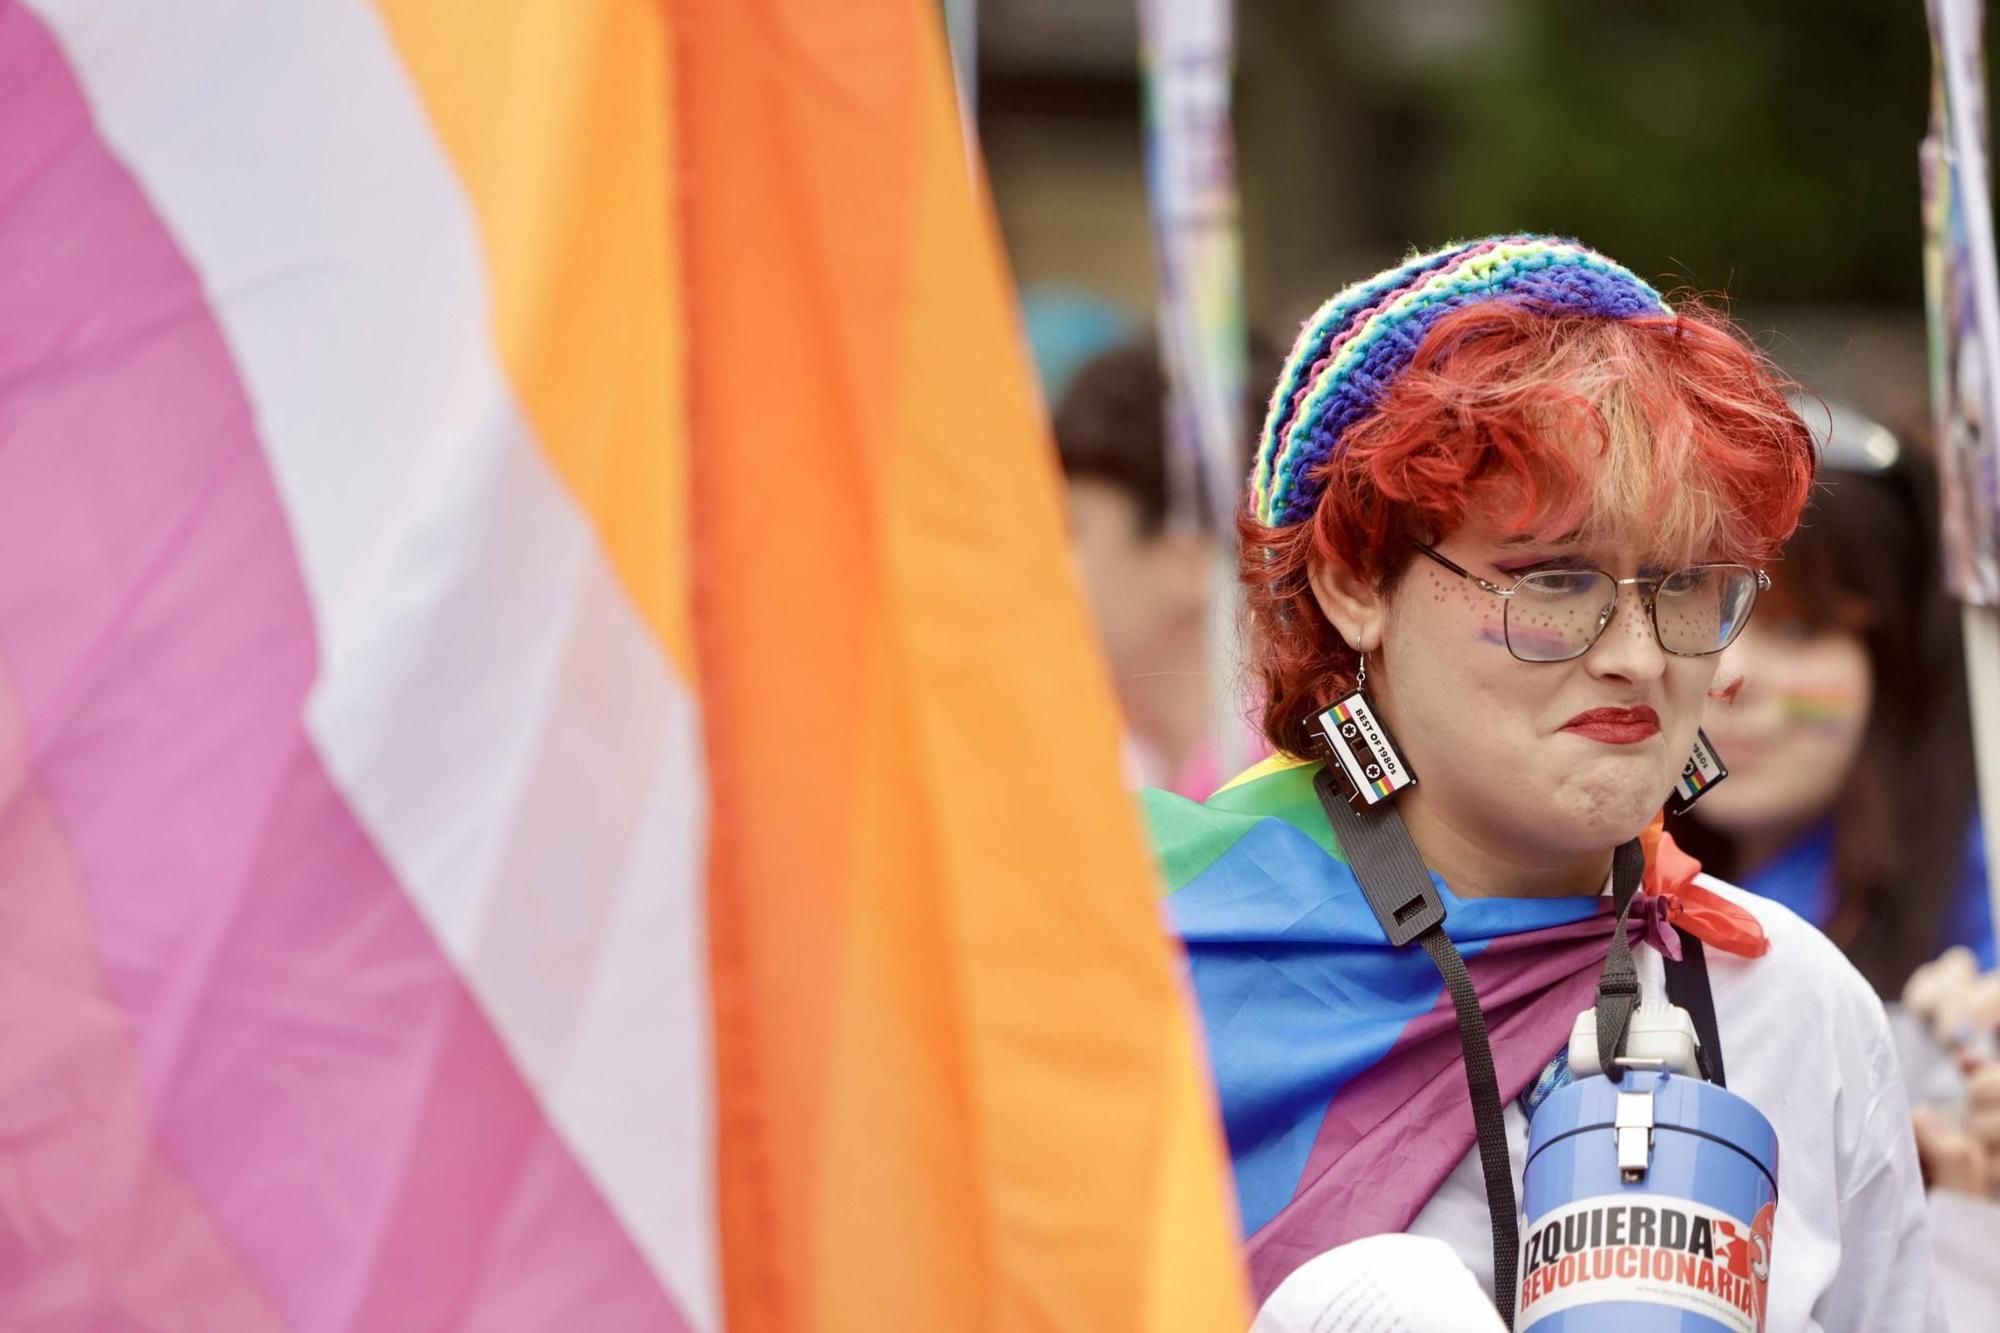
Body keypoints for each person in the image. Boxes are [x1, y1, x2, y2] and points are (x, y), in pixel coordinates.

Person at [1143, 235, 1943, 1328]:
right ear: (1349, 584)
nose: (1636, 654)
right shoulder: (1149, 977)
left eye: (1684, 582)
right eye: (1553, 578)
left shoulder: (1793, 1004)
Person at [1673, 400, 1995, 994]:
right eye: (1697, 616)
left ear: (1895, 664)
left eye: (1800, 630)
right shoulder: (1582, 879)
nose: (1729, 677)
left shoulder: (1985, 897)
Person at [1054, 340, 1225, 798]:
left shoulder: (1290, 808)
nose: (1043, 568)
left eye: (1070, 530)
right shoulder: (1114, 777)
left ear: (1188, 559)